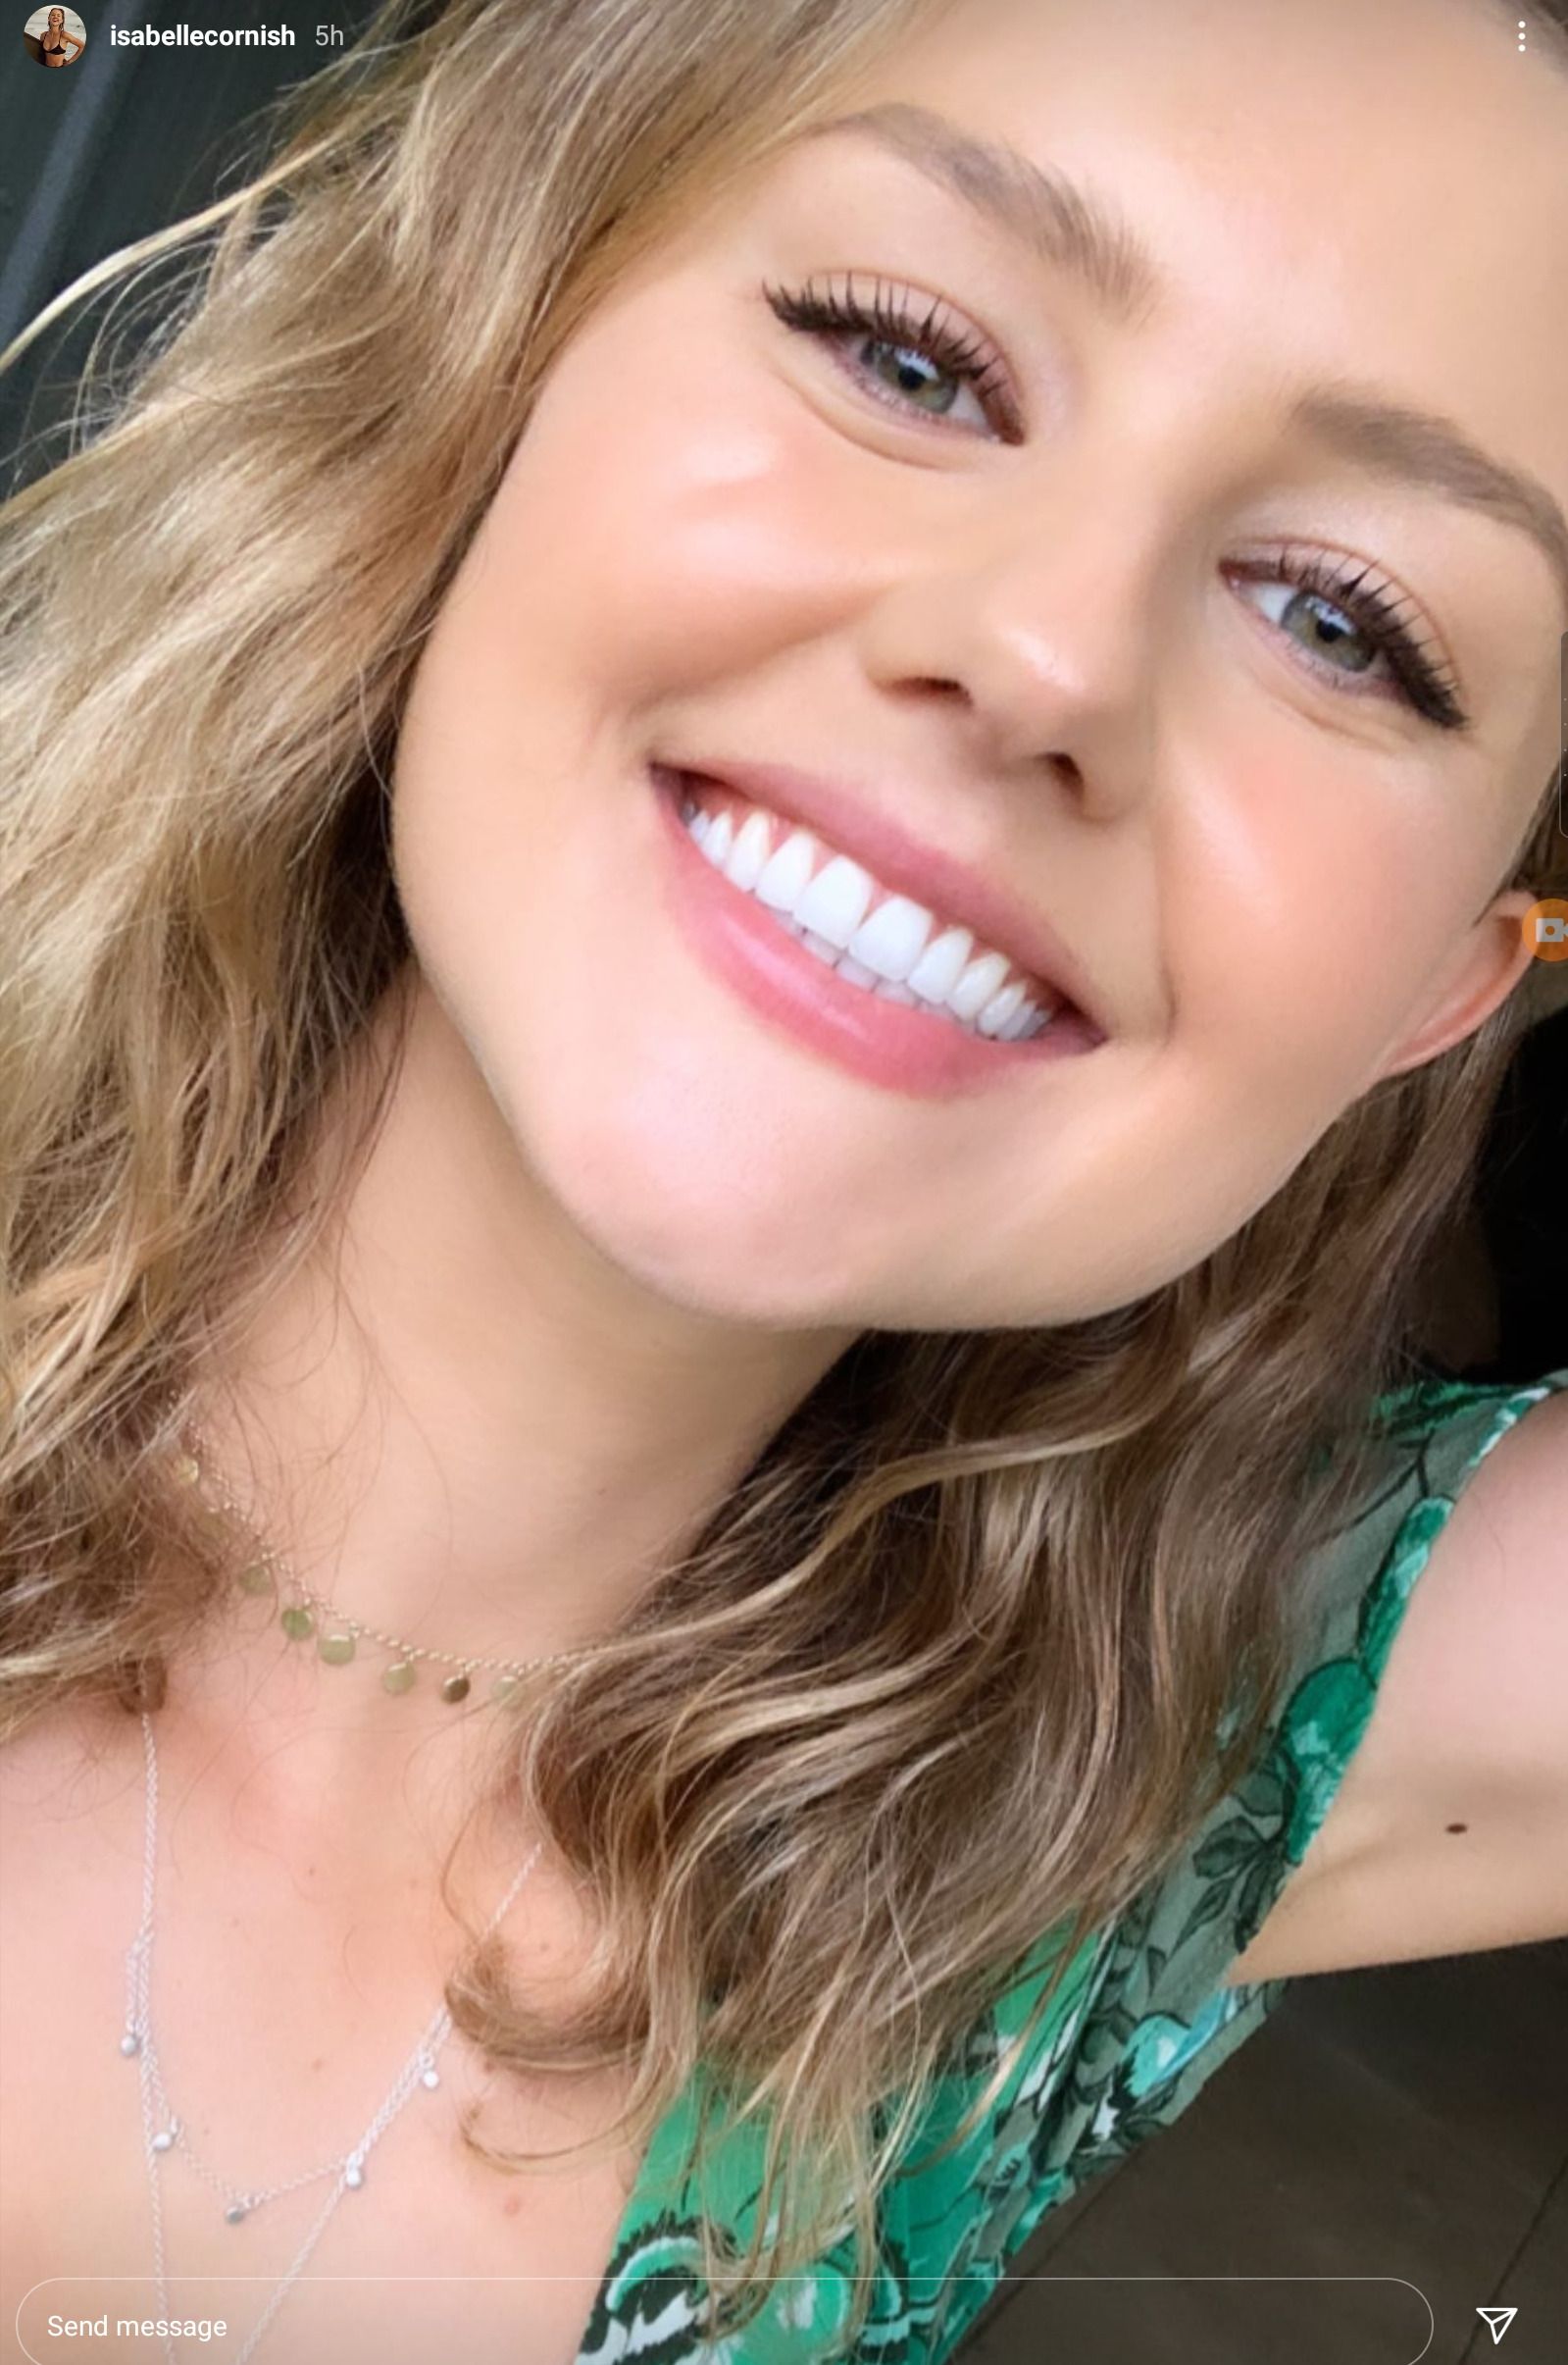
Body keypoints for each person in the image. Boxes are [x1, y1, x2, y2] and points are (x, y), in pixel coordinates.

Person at [0, 1, 1564, 2360]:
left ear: (1435, 987)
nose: (1044, 655)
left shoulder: (1142, 1786)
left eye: (1342, 624)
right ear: (496, 348)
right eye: (909, 361)